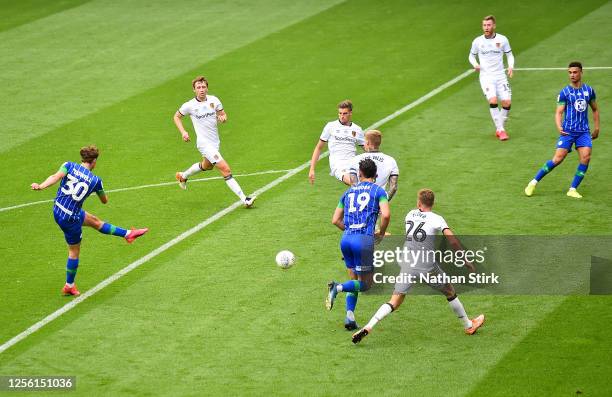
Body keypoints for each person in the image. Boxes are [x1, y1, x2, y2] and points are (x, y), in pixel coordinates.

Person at [351, 189, 484, 344]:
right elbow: (453, 241)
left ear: (419, 203)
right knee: (450, 291)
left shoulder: (410, 214)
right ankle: (468, 325)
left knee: (394, 301)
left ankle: (369, 326)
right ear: (432, 203)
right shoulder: (437, 219)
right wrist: (465, 259)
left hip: (407, 262)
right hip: (426, 264)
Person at [31, 146, 148, 296]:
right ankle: (69, 285)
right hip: (70, 219)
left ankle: (128, 234)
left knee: (95, 221)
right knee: (74, 251)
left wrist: (40, 186)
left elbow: (55, 177)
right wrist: (98, 191)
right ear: (93, 162)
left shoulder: (68, 165)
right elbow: (104, 201)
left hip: (58, 209)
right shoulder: (95, 181)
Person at [326, 159, 390, 330]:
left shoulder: (348, 192)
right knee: (366, 284)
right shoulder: (379, 191)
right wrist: (381, 233)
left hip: (346, 239)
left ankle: (349, 317)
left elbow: (335, 220)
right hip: (363, 241)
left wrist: (350, 232)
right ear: (375, 175)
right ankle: (336, 288)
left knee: (353, 279)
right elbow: (386, 215)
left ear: (359, 174)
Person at [174, 76, 255, 207]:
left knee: (207, 166)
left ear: (207, 88)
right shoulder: (189, 105)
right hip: (203, 143)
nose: (201, 90)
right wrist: (183, 132)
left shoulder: (214, 100)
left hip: (215, 142)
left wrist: (223, 118)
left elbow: (223, 114)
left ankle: (183, 176)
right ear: (194, 90)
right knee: (225, 169)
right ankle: (245, 199)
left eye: (203, 87)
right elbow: (176, 117)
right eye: (198, 87)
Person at [524, 62, 600, 199]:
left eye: (575, 72)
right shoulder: (565, 92)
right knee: (558, 159)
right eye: (570, 72)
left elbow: (595, 109)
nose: (572, 75)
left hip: (583, 132)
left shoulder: (589, 90)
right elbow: (559, 112)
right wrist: (559, 127)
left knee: (586, 157)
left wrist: (597, 128)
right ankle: (533, 182)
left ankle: (572, 189)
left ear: (581, 73)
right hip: (568, 131)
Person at [469, 15, 514, 141]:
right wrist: (476, 64)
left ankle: (499, 128)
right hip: (486, 77)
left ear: (494, 26)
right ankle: (501, 131)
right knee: (493, 101)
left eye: (489, 25)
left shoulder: (502, 39)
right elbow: (471, 56)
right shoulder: (477, 41)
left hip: (501, 76)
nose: (486, 27)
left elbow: (510, 55)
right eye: (484, 25)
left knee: (507, 103)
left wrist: (511, 66)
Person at [309, 100, 364, 186]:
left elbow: (367, 150)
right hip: (338, 164)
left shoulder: (357, 129)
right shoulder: (330, 126)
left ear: (350, 113)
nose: (342, 116)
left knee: (366, 185)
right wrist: (312, 169)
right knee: (355, 183)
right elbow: (319, 147)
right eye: (340, 113)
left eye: (345, 113)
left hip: (353, 163)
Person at [348, 129, 399, 200]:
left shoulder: (356, 159)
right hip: (379, 201)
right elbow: (394, 187)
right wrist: (384, 202)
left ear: (367, 142)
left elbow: (354, 185)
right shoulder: (391, 160)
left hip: (360, 202)